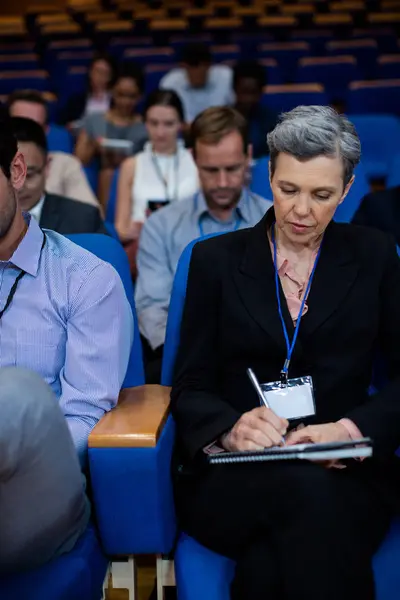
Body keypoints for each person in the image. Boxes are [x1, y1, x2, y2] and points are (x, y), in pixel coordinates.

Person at [171, 105, 400, 600]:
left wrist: (348, 430)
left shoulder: (376, 255)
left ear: (347, 188)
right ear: (268, 175)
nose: (301, 211)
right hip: (237, 475)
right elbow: (189, 385)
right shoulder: (214, 262)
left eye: (321, 195)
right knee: (309, 501)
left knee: (273, 559)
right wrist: (230, 429)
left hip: (346, 470)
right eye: (287, 189)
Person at [0, 110, 132, 573]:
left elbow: (85, 417)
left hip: (41, 489)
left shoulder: (85, 278)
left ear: (17, 172)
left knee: (16, 393)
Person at [135, 106, 271, 382]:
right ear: (193, 158)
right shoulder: (160, 225)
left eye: (232, 169)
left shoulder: (275, 222)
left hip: (265, 359)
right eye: (211, 170)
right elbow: (152, 309)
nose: (222, 182)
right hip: (187, 360)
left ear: (247, 156)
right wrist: (186, 353)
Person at [115, 89, 199, 246]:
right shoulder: (131, 165)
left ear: (181, 124)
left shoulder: (196, 161)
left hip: (189, 244)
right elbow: (120, 228)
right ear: (145, 123)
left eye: (168, 124)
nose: (160, 132)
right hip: (144, 244)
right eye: (154, 123)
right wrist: (131, 231)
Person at [11, 116, 107, 234]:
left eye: (29, 175)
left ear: (47, 167)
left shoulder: (83, 219)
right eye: (9, 176)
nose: (19, 186)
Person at [7, 90, 98, 207]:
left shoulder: (66, 165)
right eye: (19, 125)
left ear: (46, 130)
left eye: (35, 127)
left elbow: (91, 216)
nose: (26, 133)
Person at [75, 62, 148, 207]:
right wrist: (94, 146)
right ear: (112, 92)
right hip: (100, 178)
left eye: (131, 96)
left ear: (140, 96)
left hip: (137, 179)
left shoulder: (145, 126)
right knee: (108, 172)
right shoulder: (95, 120)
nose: (125, 102)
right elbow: (78, 161)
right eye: (120, 95)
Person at [159, 43, 234, 124]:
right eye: (194, 66)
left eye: (205, 65)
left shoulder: (226, 77)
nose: (200, 70)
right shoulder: (170, 82)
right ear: (183, 66)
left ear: (210, 65)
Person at [233, 60, 278, 159]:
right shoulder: (223, 119)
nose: (248, 99)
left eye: (253, 92)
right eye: (244, 92)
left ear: (261, 92)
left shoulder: (272, 120)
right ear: (235, 89)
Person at [58, 52, 116, 129]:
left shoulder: (116, 100)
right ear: (90, 73)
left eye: (104, 73)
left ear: (110, 77)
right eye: (97, 71)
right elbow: (62, 123)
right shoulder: (77, 100)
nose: (100, 76)